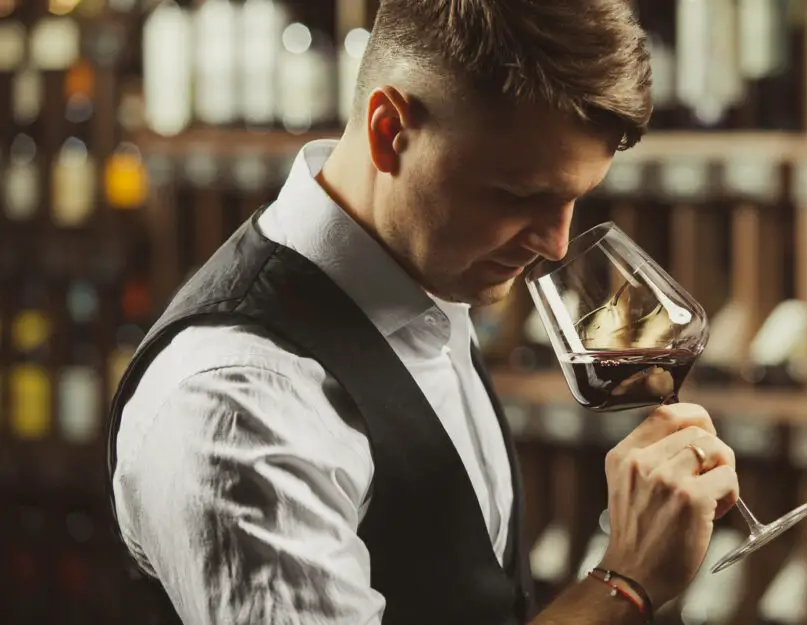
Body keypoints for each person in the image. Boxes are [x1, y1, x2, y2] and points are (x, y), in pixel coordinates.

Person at [106, 0, 741, 623]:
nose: (553, 244)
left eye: (577, 198)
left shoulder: (428, 278)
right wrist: (623, 585)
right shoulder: (239, 402)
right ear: (390, 132)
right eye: (519, 195)